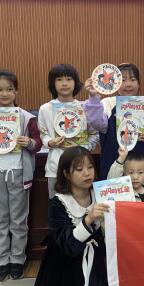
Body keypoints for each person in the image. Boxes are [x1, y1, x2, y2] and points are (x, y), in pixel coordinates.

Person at [22, 147, 112, 286]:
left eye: (90, 167)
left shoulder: (101, 195)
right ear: (66, 174)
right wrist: (88, 220)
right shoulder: (59, 203)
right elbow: (68, 245)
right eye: (79, 169)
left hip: (97, 263)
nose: (87, 173)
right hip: (64, 266)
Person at [0, 70, 42, 281]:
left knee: (18, 220)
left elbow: (38, 144)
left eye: (9, 89)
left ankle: (17, 260)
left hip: (18, 173)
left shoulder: (26, 117)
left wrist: (28, 142)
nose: (4, 94)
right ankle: (2, 261)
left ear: (16, 91)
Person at [84, 62, 144, 180]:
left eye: (133, 79)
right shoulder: (108, 104)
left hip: (140, 171)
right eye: (123, 80)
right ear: (115, 84)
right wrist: (93, 97)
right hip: (113, 166)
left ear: (139, 84)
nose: (128, 84)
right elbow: (97, 123)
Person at [38, 64, 99, 198]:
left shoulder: (85, 107)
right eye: (59, 79)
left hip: (81, 167)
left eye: (69, 79)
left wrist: (84, 148)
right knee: (57, 204)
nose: (64, 83)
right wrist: (50, 142)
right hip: (55, 166)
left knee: (82, 203)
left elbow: (94, 134)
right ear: (52, 83)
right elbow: (43, 134)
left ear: (75, 82)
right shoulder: (45, 109)